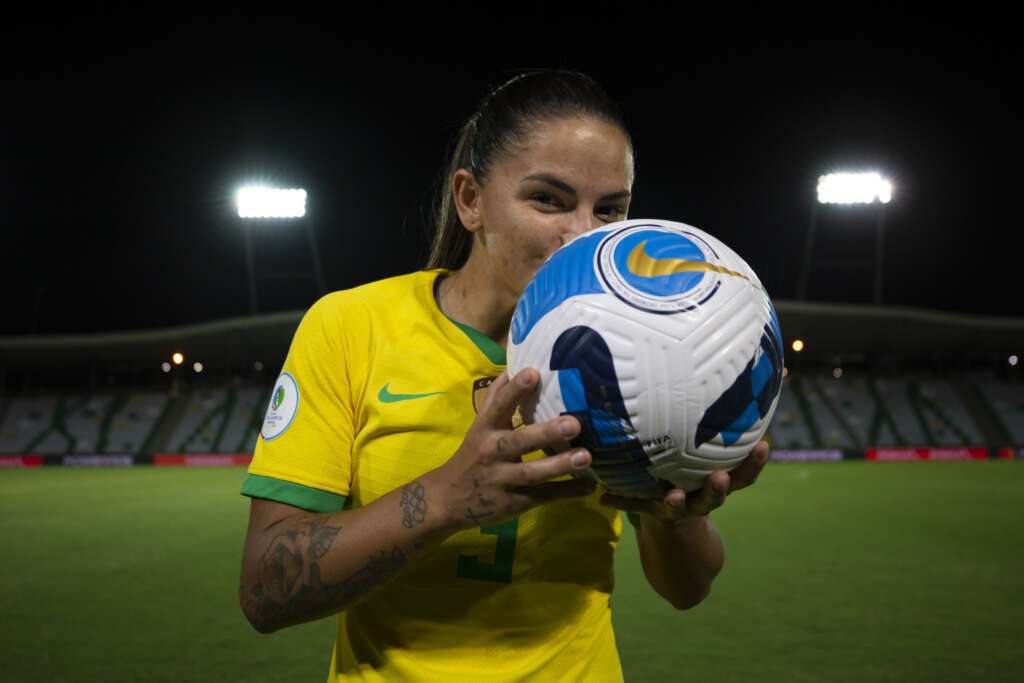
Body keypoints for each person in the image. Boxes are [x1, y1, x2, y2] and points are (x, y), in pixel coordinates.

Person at [239, 69, 770, 682]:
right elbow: (263, 589)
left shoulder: (635, 350)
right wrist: (443, 500)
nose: (582, 235)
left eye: (610, 210)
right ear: (470, 200)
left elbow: (688, 588)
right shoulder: (352, 326)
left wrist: (674, 509)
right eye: (548, 199)